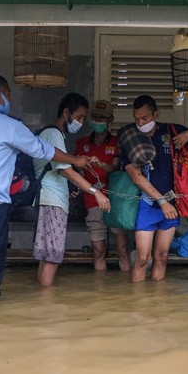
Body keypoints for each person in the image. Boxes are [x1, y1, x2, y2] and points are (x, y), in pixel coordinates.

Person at [0, 74, 94, 302]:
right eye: (9, 95)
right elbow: (43, 150)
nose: (9, 99)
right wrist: (76, 160)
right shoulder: (10, 126)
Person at [122, 95, 188, 283]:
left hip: (171, 204)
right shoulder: (130, 137)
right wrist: (161, 202)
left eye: (144, 118)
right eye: (136, 118)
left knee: (162, 257)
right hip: (146, 205)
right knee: (142, 259)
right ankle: (137, 306)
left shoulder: (171, 131)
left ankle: (156, 307)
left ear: (156, 114)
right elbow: (135, 176)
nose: (140, 122)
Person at [34, 93, 111, 286]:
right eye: (79, 117)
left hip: (48, 200)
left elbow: (66, 167)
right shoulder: (53, 134)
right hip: (52, 201)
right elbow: (67, 172)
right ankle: (46, 306)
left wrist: (81, 162)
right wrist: (96, 192)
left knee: (47, 257)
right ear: (66, 113)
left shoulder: (52, 134)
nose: (81, 122)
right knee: (52, 257)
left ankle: (41, 303)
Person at [75, 99, 131, 272]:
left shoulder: (117, 142)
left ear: (110, 119)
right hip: (92, 200)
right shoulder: (82, 143)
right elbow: (74, 168)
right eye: (95, 117)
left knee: (122, 250)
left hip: (115, 201)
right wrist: (82, 164)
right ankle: (100, 291)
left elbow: (115, 166)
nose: (98, 121)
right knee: (98, 251)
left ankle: (129, 292)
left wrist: (101, 165)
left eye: (102, 117)